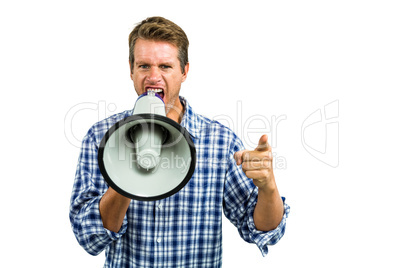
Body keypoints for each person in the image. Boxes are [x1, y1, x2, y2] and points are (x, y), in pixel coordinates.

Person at [70, 16, 290, 268]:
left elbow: (262, 231)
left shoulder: (219, 141)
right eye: (144, 66)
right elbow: (88, 237)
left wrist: (268, 187)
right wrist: (126, 175)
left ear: (184, 71)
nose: (154, 77)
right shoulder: (101, 137)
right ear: (131, 69)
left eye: (165, 66)